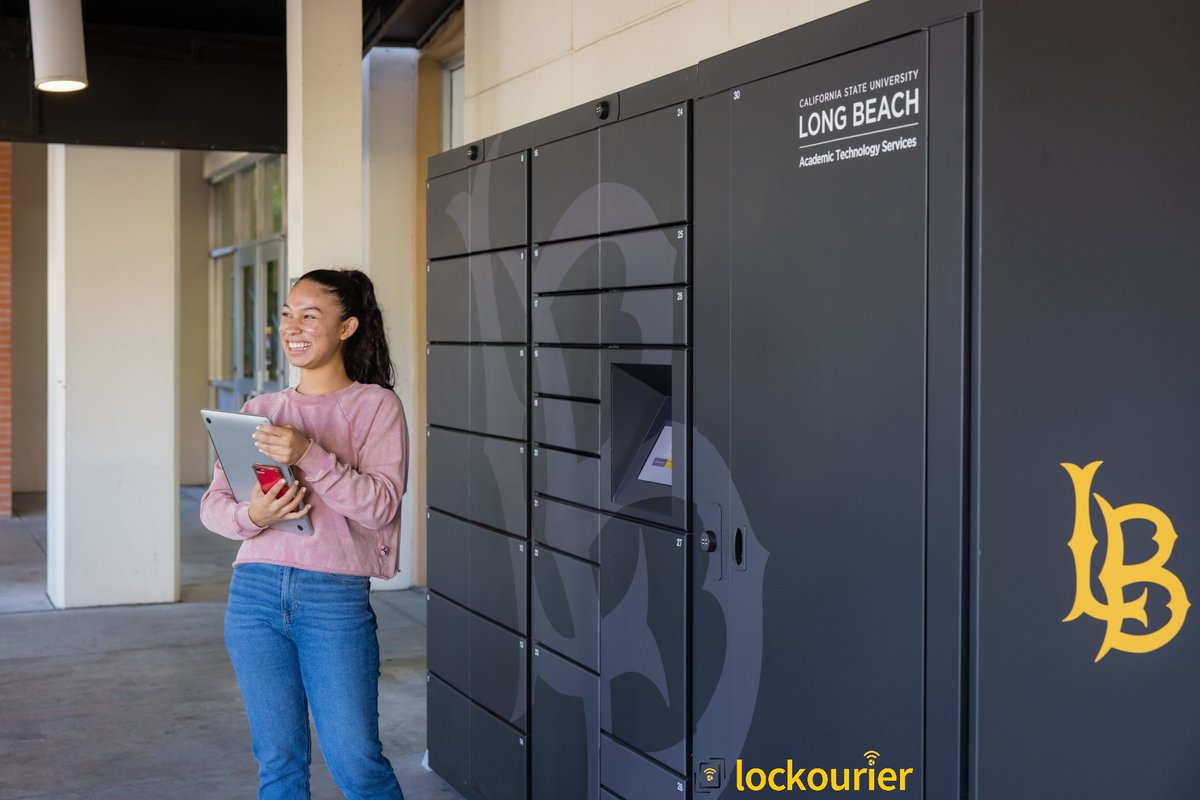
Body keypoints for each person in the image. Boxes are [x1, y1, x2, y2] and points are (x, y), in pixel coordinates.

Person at [200, 268, 409, 800]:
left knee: (356, 762)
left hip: (332, 599)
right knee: (278, 764)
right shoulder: (258, 411)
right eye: (287, 314)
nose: (292, 326)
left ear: (347, 327)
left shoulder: (376, 406)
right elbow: (213, 506)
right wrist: (254, 516)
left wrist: (308, 454)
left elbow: (381, 506)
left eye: (310, 315)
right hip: (253, 596)